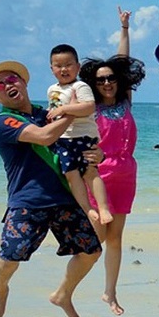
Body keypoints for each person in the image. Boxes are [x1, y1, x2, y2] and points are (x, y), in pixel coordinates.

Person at [0, 60, 102, 317]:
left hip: (63, 197)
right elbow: (44, 136)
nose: (7, 85)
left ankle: (62, 293)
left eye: (12, 79)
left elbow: (76, 143)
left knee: (91, 252)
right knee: (9, 257)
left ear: (24, 83)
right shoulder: (2, 121)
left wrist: (98, 152)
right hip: (28, 201)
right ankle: (1, 290)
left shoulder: (46, 112)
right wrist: (73, 112)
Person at [77, 6, 147, 316]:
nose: (107, 83)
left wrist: (125, 30)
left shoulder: (125, 101)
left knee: (116, 238)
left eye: (111, 79)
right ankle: (67, 288)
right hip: (98, 177)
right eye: (101, 79)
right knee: (96, 240)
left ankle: (110, 293)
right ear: (94, 82)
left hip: (126, 175)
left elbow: (122, 61)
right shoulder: (88, 107)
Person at [47, 43, 113, 229]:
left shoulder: (80, 86)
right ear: (52, 69)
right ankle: (87, 208)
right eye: (58, 66)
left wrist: (65, 108)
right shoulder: (52, 90)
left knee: (91, 172)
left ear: (78, 67)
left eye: (68, 64)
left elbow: (88, 107)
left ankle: (103, 208)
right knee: (72, 175)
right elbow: (53, 111)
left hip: (83, 136)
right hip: (63, 139)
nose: (64, 69)